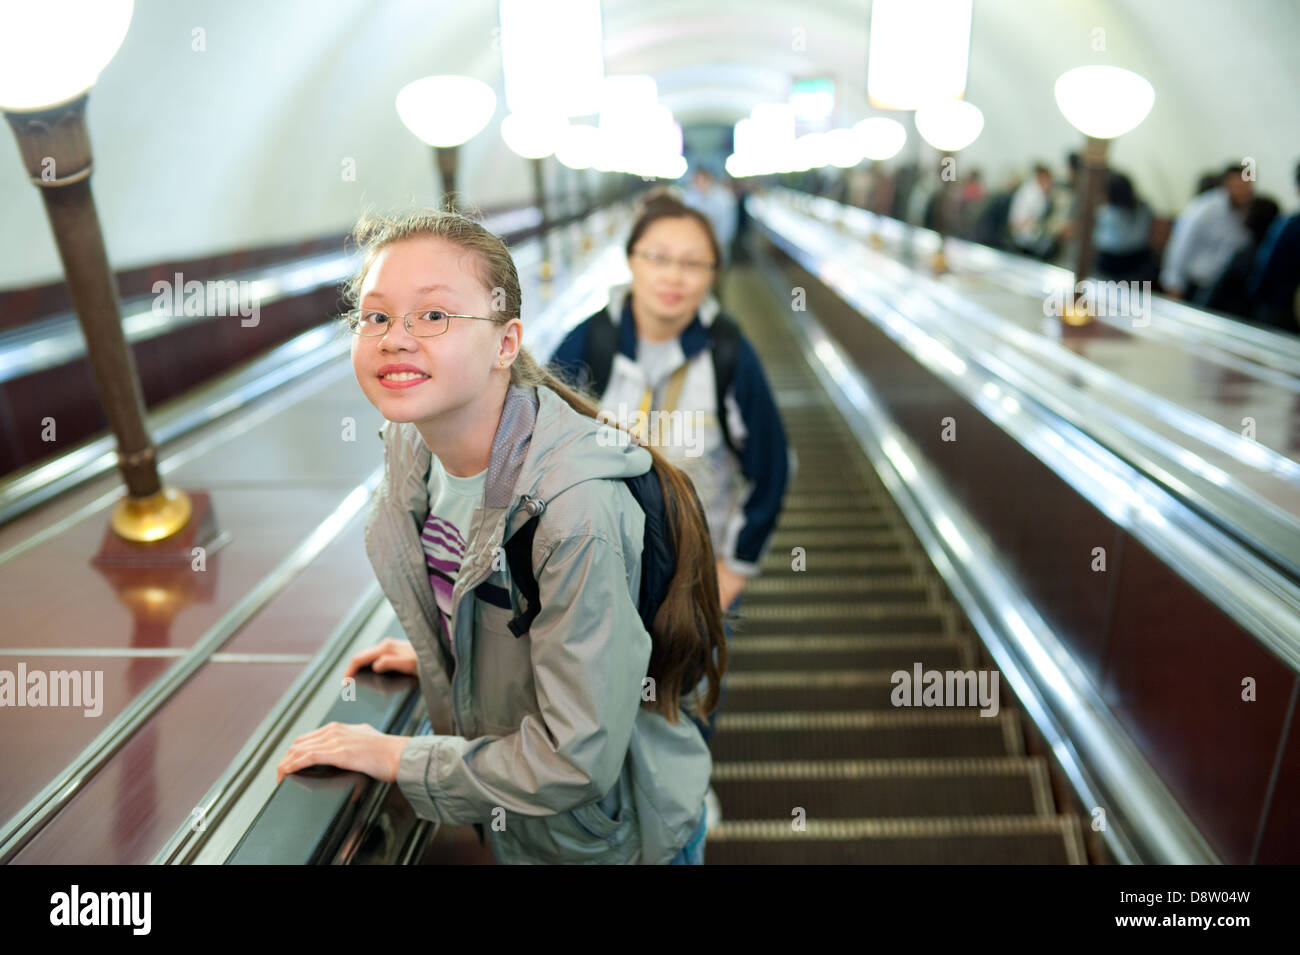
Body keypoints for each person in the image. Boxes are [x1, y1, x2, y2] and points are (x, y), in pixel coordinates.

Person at [274, 207, 727, 865]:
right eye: (375, 316)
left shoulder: (576, 510)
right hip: (530, 832)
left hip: (615, 842)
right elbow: (499, 594)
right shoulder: (415, 446)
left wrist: (397, 754)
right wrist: (464, 640)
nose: (395, 338)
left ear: (506, 343)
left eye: (433, 316)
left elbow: (575, 757)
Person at [548, 189, 792, 827]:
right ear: (631, 260)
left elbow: (771, 466)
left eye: (694, 263)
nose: (674, 277)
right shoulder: (589, 342)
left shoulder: (728, 353)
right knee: (596, 683)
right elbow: (540, 447)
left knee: (688, 683)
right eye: (659, 257)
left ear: (713, 273)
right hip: (597, 559)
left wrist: (734, 569)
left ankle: (685, 793)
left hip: (695, 563)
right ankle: (612, 796)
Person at [1160, 162, 1254, 301]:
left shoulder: (1248, 212)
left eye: (1247, 187)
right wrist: (1173, 283)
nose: (1243, 192)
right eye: (1239, 186)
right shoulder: (1204, 209)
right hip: (1196, 284)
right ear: (1226, 186)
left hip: (1223, 286)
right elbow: (1181, 244)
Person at [1248, 161, 1300, 333]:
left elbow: (1265, 268)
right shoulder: (1291, 225)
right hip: (1281, 310)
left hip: (1277, 309)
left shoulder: (1289, 225)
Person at [1093, 171, 1156, 283]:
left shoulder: (1106, 212)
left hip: (1112, 263)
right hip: (1139, 261)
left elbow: (1100, 240)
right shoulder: (1144, 207)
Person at [683, 167, 738, 270]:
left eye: (703, 180)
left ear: (710, 180)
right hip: (694, 244)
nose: (700, 184)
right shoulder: (688, 198)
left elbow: (728, 225)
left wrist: (716, 243)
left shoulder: (724, 198)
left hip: (719, 244)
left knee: (717, 271)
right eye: (697, 181)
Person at [1008, 163, 1058, 259]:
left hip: (1028, 237)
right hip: (1024, 241)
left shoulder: (1037, 192)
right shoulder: (1031, 194)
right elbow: (1017, 222)